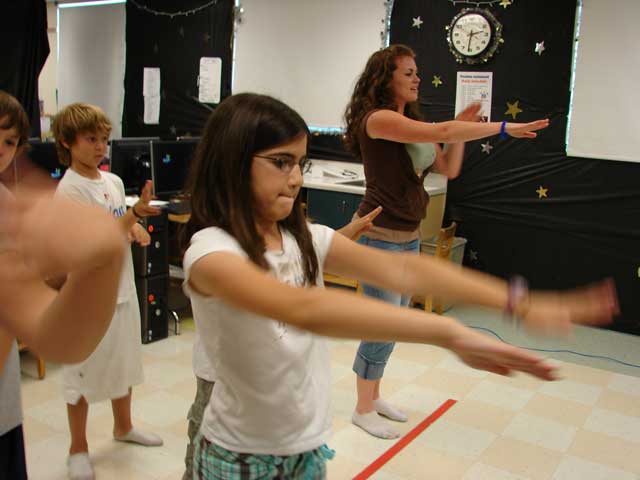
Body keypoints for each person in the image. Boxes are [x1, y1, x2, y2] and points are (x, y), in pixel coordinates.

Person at [180, 92, 616, 479]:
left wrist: (519, 302)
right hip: (239, 459)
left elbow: (406, 271)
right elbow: (305, 310)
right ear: (233, 163)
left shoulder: (304, 239)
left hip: (305, 449)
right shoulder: (211, 253)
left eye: (300, 163)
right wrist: (446, 332)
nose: (295, 178)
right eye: (281, 162)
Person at [342, 44, 551, 439]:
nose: (417, 79)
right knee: (383, 324)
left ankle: (374, 395)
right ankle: (362, 408)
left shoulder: (411, 122)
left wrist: (460, 132)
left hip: (408, 236)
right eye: (408, 73)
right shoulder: (379, 119)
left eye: (417, 72)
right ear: (384, 79)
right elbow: (443, 131)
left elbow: (448, 167)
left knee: (395, 323)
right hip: (378, 236)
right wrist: (503, 128)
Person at [181, 206, 382, 480]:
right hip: (222, 382)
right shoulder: (218, 247)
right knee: (204, 456)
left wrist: (347, 234)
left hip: (279, 390)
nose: (292, 184)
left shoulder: (297, 236)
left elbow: (310, 253)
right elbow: (294, 304)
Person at [0, 91, 125, 480]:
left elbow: (54, 336)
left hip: (3, 414)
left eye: (9, 141)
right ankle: (78, 446)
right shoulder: (66, 189)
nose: (1, 150)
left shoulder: (6, 205)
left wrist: (102, 259)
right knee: (81, 381)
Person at [52, 102, 163, 480]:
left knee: (123, 361)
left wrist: (133, 226)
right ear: (67, 142)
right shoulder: (69, 191)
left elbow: (115, 222)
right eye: (91, 139)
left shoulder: (112, 182)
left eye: (104, 139)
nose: (100, 146)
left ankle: (123, 426)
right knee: (81, 373)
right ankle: (77, 448)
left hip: (121, 289)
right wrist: (134, 216)